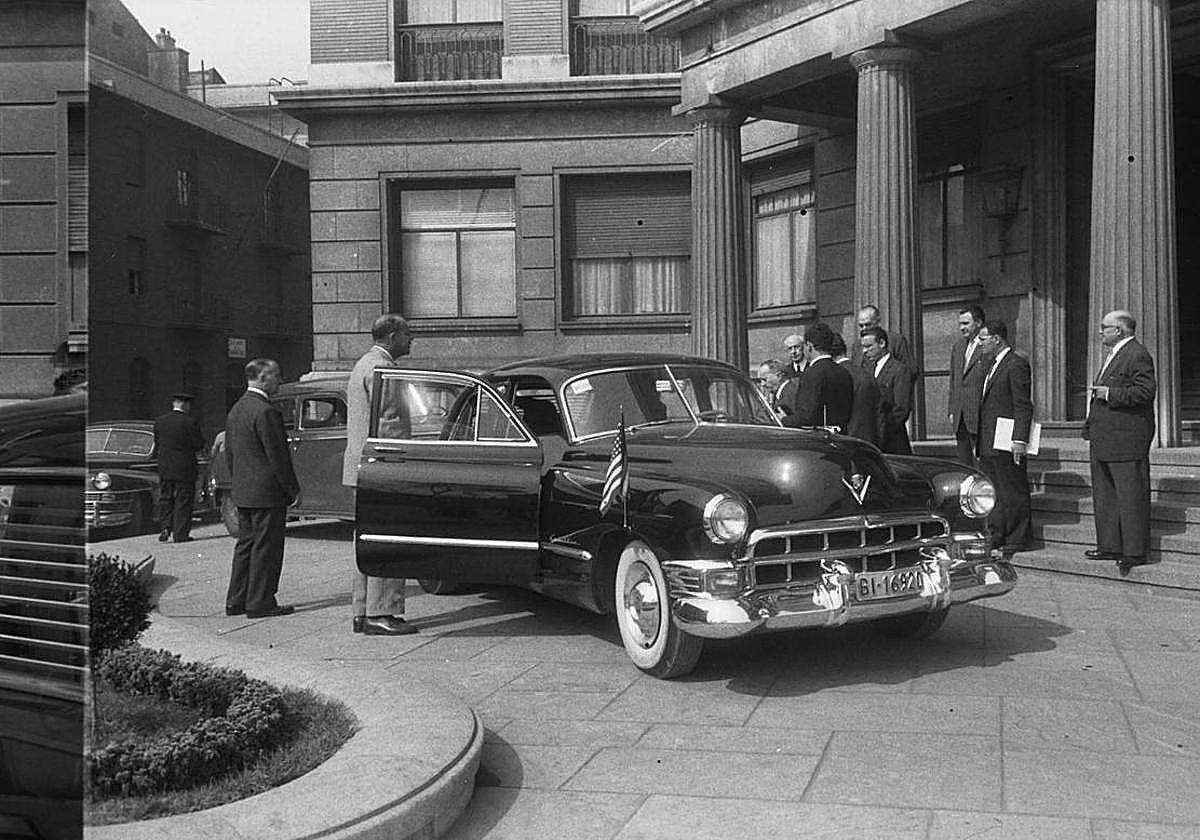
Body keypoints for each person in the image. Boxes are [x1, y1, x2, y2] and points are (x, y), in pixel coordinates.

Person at [344, 314, 418, 635]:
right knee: (388, 536)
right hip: (383, 468)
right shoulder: (384, 370)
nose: (411, 339)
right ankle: (383, 612)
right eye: (407, 334)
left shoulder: (363, 364)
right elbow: (390, 426)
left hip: (363, 468)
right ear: (391, 336)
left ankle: (363, 610)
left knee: (367, 538)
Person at [224, 358, 300, 619]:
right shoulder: (266, 412)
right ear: (262, 378)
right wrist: (292, 490)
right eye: (276, 376)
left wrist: (238, 484)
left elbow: (231, 454)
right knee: (266, 549)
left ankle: (236, 600)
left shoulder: (237, 409)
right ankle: (260, 602)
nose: (280, 381)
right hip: (267, 493)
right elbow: (278, 456)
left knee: (246, 547)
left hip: (244, 491)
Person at [1083, 309, 1157, 574]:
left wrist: (1109, 393)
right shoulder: (1114, 354)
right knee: (1106, 496)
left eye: (1105, 327)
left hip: (1126, 439)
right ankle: (1110, 545)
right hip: (1105, 437)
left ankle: (1134, 551)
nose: (1100, 331)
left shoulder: (1137, 354)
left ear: (1120, 330)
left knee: (1130, 496)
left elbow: (1146, 392)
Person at [975, 320, 1033, 555]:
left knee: (1012, 488)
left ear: (996, 339)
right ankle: (998, 531)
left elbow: (1022, 405)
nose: (980, 344)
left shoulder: (1015, 364)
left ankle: (1018, 535)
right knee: (995, 489)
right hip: (989, 438)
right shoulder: (991, 364)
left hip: (1007, 438)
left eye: (983, 339)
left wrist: (1020, 439)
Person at [152, 392, 205, 543]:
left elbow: (157, 441)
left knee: (166, 497)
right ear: (186, 405)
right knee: (184, 499)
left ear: (174, 404)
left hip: (165, 465)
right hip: (184, 466)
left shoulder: (160, 421)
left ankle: (165, 527)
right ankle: (180, 534)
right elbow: (198, 444)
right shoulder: (190, 422)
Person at [781, 322, 853, 430]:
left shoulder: (811, 374)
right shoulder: (843, 372)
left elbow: (807, 417)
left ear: (809, 346)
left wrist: (783, 419)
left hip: (820, 439)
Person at [861, 326, 913, 454]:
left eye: (869, 346)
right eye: (863, 347)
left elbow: (901, 409)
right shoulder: (868, 369)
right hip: (873, 441)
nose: (864, 351)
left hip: (893, 442)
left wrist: (881, 429)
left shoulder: (899, 370)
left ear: (882, 343)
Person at [947, 304, 987, 467]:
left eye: (966, 323)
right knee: (964, 464)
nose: (961, 328)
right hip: (960, 414)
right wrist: (952, 409)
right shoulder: (958, 347)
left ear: (978, 323)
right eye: (960, 324)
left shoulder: (987, 346)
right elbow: (954, 380)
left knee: (982, 462)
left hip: (978, 413)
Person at [832, 332, 880, 445]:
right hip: (871, 444)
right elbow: (880, 414)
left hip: (845, 444)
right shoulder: (866, 375)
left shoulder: (836, 376)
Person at [851, 304, 918, 377]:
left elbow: (910, 370)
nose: (864, 329)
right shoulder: (857, 346)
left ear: (878, 321)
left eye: (868, 324)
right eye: (861, 326)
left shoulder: (896, 340)